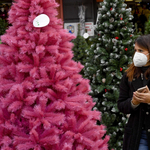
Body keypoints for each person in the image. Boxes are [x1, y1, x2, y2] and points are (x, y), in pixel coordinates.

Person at [118, 34, 150, 150]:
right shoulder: (128, 75)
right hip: (137, 134)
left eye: (141, 50)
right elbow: (121, 104)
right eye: (136, 50)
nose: (137, 54)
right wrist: (133, 102)